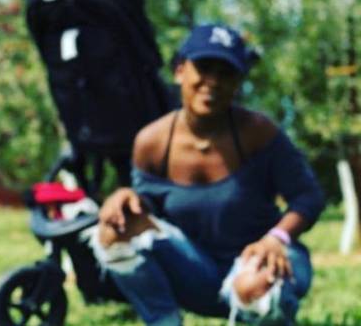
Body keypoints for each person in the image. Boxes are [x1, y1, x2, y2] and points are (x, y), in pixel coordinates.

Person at [91, 24, 325, 325]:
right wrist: (126, 197)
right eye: (203, 67)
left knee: (255, 283)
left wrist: (276, 238)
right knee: (114, 229)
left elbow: (309, 196)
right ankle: (163, 320)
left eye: (226, 73)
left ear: (238, 83)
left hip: (258, 261)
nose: (212, 82)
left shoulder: (258, 133)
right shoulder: (152, 142)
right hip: (194, 268)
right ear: (179, 71)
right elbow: (148, 205)